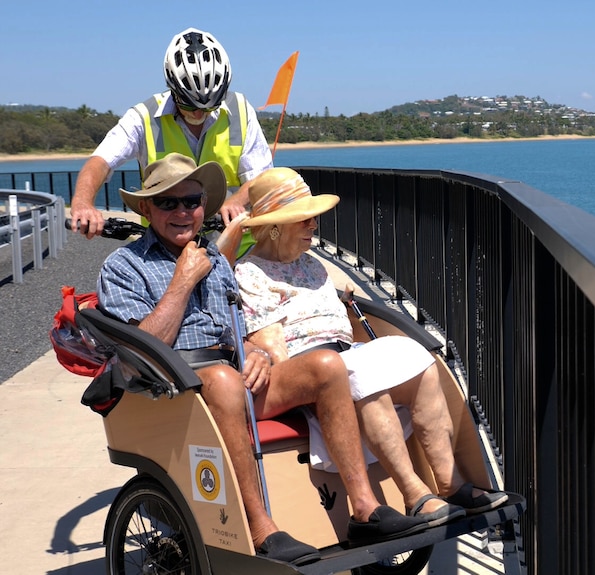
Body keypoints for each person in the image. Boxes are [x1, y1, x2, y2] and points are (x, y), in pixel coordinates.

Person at [96, 153, 428, 567]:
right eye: (168, 203)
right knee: (222, 378)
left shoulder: (215, 261)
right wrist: (182, 282)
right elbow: (141, 348)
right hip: (172, 385)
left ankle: (364, 508)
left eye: (193, 201)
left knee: (327, 366)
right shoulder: (124, 266)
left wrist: (255, 354)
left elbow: (233, 331)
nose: (183, 212)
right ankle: (259, 527)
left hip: (229, 375)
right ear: (146, 208)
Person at [225, 167, 509, 527]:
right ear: (276, 226)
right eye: (306, 220)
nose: (314, 226)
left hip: (342, 354)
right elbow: (272, 348)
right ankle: (415, 495)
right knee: (362, 375)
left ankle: (450, 484)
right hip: (307, 368)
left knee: (417, 357)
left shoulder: (312, 265)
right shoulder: (250, 273)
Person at [71, 27, 271, 241]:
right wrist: (83, 202)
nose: (198, 112)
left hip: (233, 245)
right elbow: (100, 161)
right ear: (172, 89)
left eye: (209, 106)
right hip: (166, 245)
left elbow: (260, 177)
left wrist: (235, 202)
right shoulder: (143, 116)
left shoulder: (240, 109)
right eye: (188, 103)